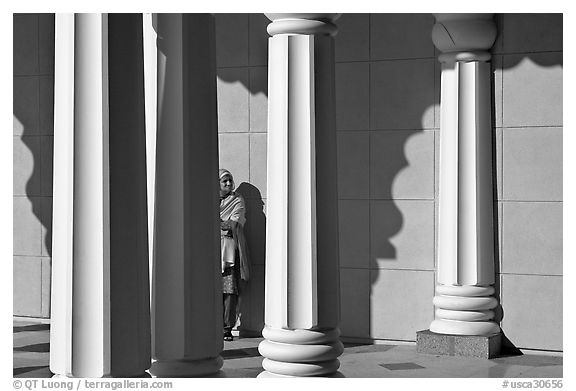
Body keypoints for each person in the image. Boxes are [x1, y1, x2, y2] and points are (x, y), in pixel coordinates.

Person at [219, 169, 250, 341]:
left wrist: (220, 223)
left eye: (231, 181)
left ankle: (226, 327)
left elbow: (234, 224)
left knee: (229, 290)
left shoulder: (237, 200)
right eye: (225, 181)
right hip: (211, 250)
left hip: (229, 251)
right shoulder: (211, 198)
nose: (229, 184)